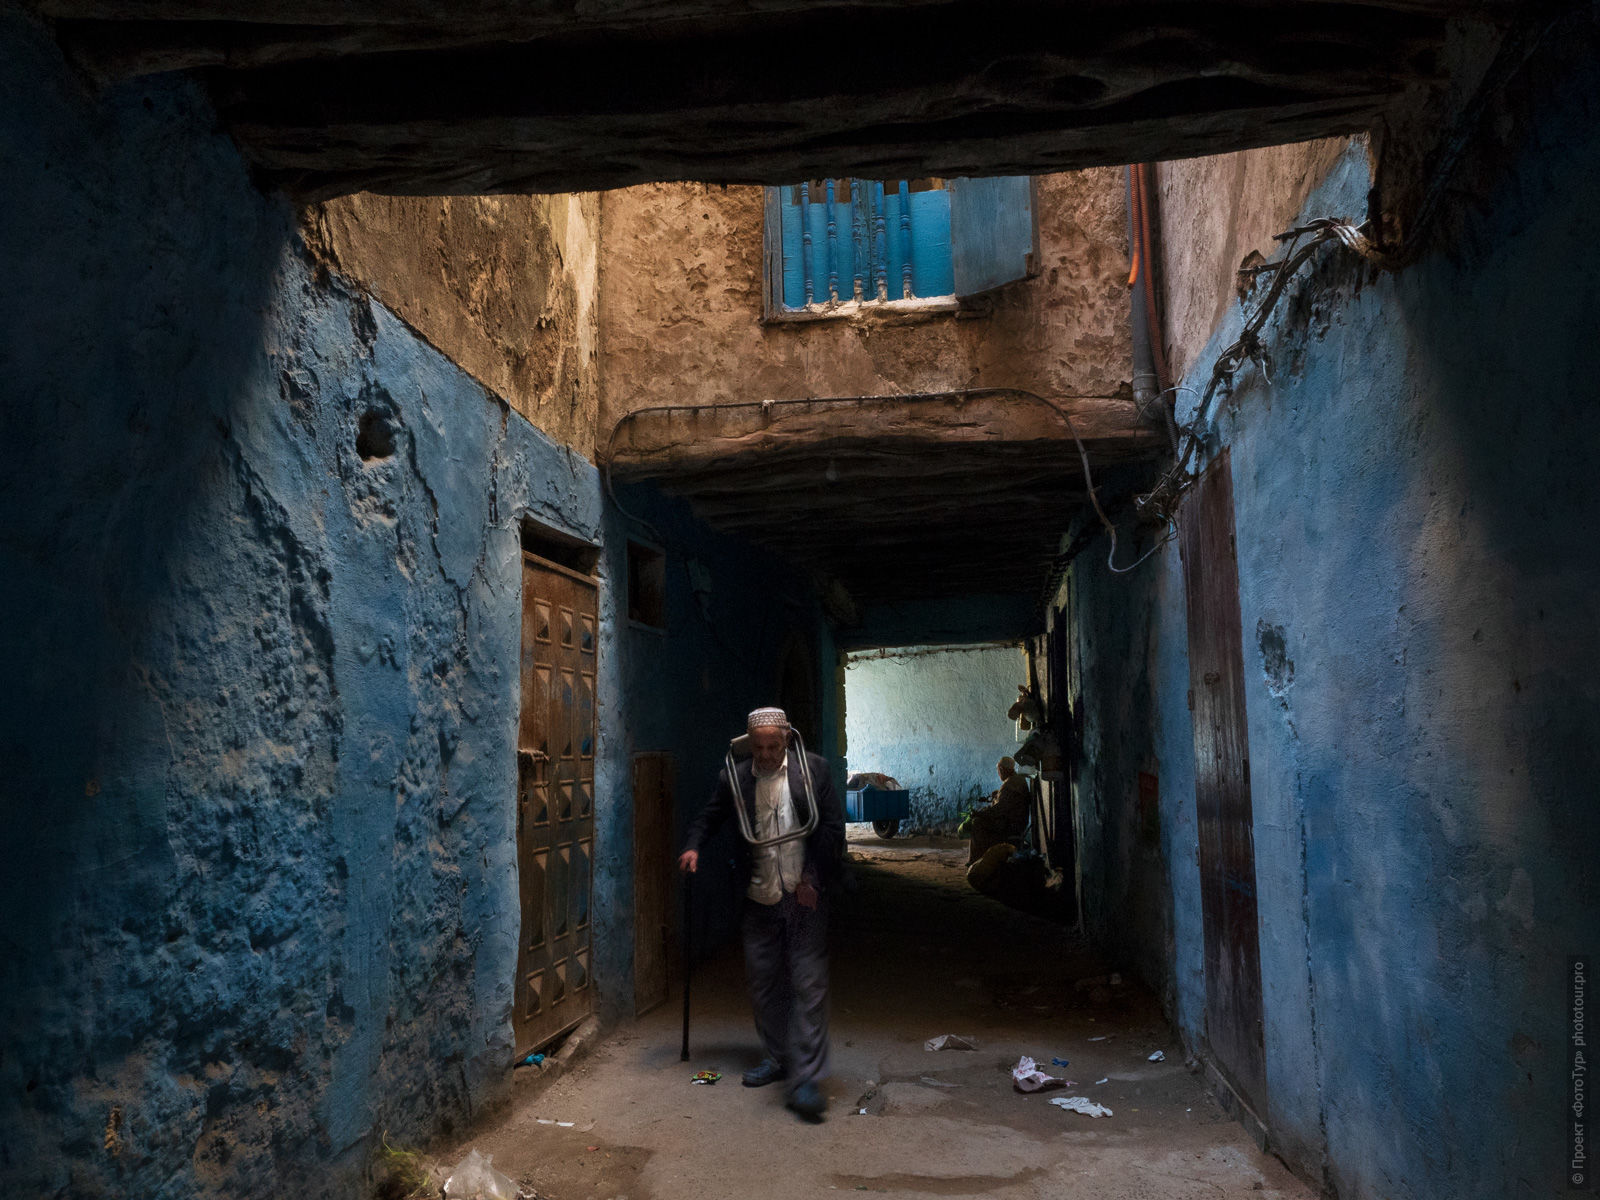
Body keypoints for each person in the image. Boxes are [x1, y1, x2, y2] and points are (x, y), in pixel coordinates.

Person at [677, 706, 845, 1121]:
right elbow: (710, 816)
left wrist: (813, 879)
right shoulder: (734, 777)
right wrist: (693, 845)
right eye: (759, 747)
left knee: (808, 984)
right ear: (749, 744)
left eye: (774, 745)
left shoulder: (815, 771)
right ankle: (777, 1059)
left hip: (803, 895)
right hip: (759, 895)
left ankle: (804, 1079)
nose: (767, 754)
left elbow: (832, 831)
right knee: (764, 982)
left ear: (787, 739)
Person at [966, 756, 1031, 865]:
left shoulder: (1009, 784)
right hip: (1017, 822)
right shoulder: (1017, 780)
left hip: (1011, 825)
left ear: (1001, 769)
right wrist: (998, 795)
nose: (998, 773)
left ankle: (975, 862)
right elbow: (1007, 801)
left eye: (998, 770)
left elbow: (998, 810)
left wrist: (979, 813)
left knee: (977, 823)